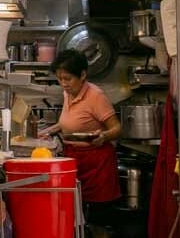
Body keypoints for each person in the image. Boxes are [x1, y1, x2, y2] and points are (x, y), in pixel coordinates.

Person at [40, 49, 122, 233]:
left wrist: (103, 137)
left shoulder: (95, 96)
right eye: (60, 79)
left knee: (98, 218)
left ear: (83, 75)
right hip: (75, 160)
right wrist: (47, 131)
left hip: (97, 163)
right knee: (77, 214)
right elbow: (67, 123)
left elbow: (117, 128)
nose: (63, 84)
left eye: (67, 78)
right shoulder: (68, 93)